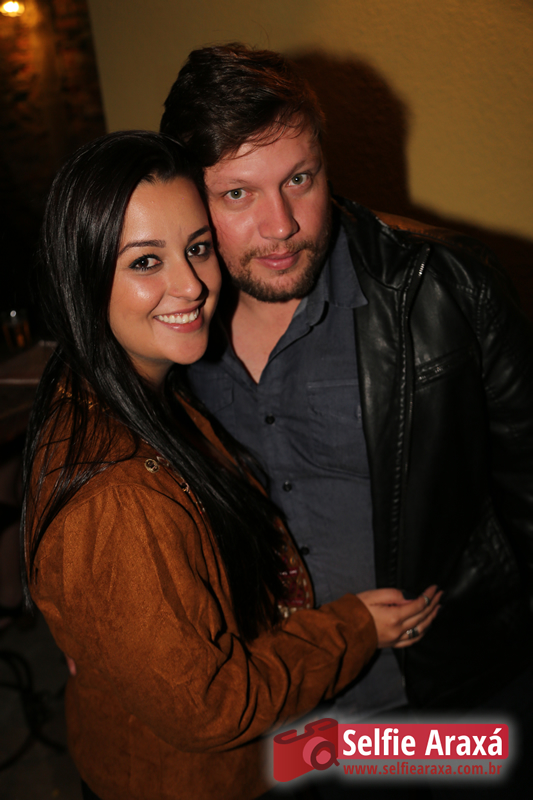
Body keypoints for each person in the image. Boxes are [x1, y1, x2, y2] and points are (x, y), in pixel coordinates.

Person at [22, 130, 439, 800]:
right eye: (145, 261)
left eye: (196, 248)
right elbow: (212, 705)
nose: (190, 284)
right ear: (83, 275)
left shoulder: (124, 392)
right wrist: (355, 628)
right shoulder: (119, 494)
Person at [160, 43, 533, 762]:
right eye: (237, 194)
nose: (281, 224)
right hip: (279, 722)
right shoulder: (163, 330)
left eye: (298, 178)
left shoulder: (447, 290)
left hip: (453, 700)